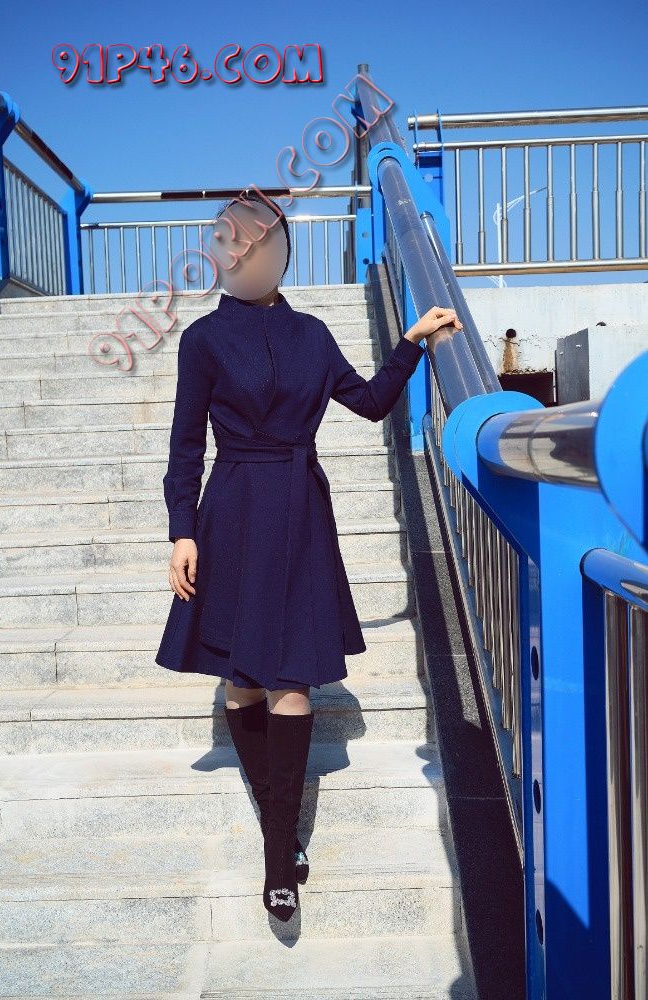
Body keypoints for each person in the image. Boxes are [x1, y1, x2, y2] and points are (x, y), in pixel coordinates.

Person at [155, 188, 463, 922]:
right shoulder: (203, 340)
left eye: (257, 242)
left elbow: (372, 402)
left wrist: (412, 341)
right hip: (231, 511)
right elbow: (185, 445)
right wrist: (181, 531)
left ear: (279, 252)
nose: (243, 254)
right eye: (233, 242)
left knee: (291, 682)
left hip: (299, 512)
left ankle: (278, 857)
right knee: (241, 685)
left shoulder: (314, 336)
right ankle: (280, 824)